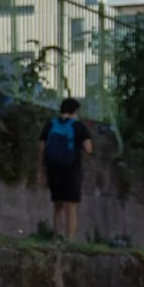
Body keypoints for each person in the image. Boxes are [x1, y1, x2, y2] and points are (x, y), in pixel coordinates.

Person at [42, 96, 92, 239]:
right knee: (71, 206)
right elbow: (88, 148)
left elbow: (41, 147)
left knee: (58, 205)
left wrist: (41, 169)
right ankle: (70, 240)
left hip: (53, 168)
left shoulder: (51, 124)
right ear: (75, 111)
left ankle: (57, 236)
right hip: (71, 169)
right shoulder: (78, 126)